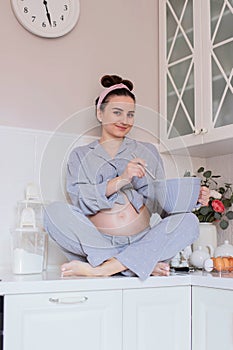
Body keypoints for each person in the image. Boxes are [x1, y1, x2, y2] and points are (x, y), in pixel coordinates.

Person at [44, 74, 210, 280]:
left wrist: (190, 198)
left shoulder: (147, 151)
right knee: (53, 212)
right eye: (117, 112)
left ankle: (103, 269)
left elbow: (162, 205)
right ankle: (137, 264)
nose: (125, 120)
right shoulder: (80, 155)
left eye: (130, 114)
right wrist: (121, 179)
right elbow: (81, 200)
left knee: (189, 222)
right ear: (100, 113)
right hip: (97, 242)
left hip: (144, 239)